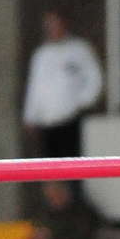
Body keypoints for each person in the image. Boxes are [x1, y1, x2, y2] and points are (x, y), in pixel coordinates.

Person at [22, 11, 103, 158]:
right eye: (49, 26)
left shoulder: (79, 49)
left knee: (72, 160)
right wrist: (31, 115)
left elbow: (94, 78)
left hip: (71, 117)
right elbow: (35, 87)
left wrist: (84, 102)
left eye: (55, 25)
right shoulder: (41, 55)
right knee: (49, 163)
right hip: (47, 120)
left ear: (64, 25)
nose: (52, 29)